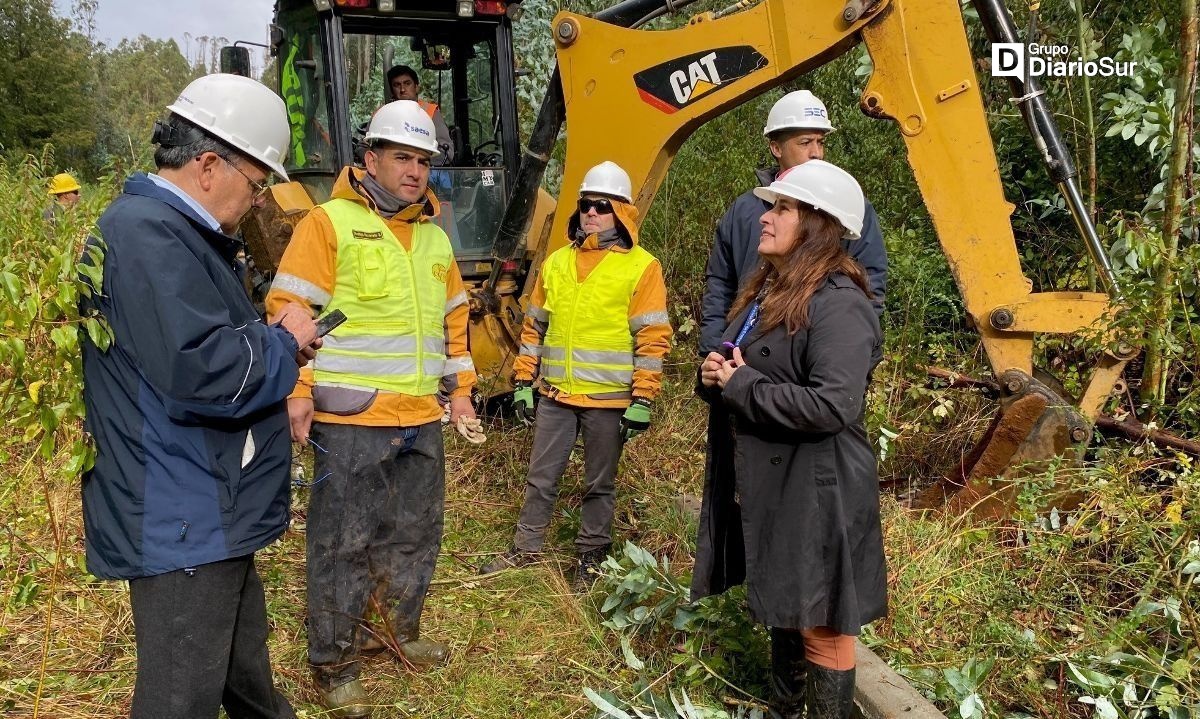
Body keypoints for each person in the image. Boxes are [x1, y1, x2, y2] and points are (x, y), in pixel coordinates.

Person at [79, 73, 315, 719]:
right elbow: (202, 371)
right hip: (184, 513)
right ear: (210, 164)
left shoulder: (171, 234)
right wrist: (284, 343)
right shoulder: (148, 235)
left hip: (211, 504)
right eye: (257, 182)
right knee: (180, 696)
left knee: (244, 671)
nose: (259, 200)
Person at [265, 99, 480, 718]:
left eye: (423, 160)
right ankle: (333, 663)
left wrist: (460, 391)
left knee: (414, 534)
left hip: (419, 417)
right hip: (352, 417)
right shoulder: (327, 223)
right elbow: (291, 312)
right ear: (370, 160)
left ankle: (393, 632)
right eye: (402, 157)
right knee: (342, 542)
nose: (414, 171)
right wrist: (297, 392)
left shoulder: (436, 238)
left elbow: (453, 325)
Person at [693, 160, 887, 719]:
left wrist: (742, 384)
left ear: (818, 225)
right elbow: (737, 365)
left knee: (823, 623)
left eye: (782, 207)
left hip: (820, 484)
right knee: (786, 602)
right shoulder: (768, 291)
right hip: (776, 479)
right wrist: (713, 376)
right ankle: (785, 710)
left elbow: (834, 405)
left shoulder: (840, 304)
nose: (766, 216)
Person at [478, 161, 672, 592]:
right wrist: (524, 382)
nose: (591, 213)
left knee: (599, 483)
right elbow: (534, 330)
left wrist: (643, 400)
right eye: (586, 205)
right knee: (541, 476)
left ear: (621, 212)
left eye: (601, 206)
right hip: (556, 395)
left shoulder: (642, 268)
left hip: (608, 399)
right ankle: (526, 548)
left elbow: (653, 339)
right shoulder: (556, 264)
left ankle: (591, 557)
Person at [699, 90, 887, 356]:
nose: (816, 153)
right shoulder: (744, 210)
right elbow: (720, 284)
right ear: (776, 148)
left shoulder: (844, 208)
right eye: (805, 142)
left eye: (820, 142)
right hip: (742, 355)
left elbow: (870, 285)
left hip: (808, 359)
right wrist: (713, 350)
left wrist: (856, 355)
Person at [386, 64, 453, 163]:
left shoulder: (430, 112)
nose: (402, 89)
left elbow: (447, 152)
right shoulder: (383, 114)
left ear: (417, 87)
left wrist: (418, 163)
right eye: (397, 85)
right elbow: (363, 147)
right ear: (392, 91)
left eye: (407, 83)